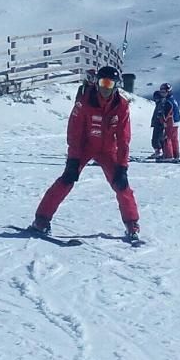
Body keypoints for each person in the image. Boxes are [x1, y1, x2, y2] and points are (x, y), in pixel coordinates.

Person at [29, 65, 140, 242]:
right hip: (85, 146)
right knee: (66, 179)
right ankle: (41, 220)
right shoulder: (85, 102)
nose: (105, 87)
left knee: (121, 184)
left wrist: (122, 166)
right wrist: (73, 160)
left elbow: (124, 139)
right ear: (96, 83)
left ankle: (132, 224)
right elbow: (74, 132)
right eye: (102, 82)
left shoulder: (122, 106)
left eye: (109, 84)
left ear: (115, 86)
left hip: (108, 150)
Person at [158, 83, 180, 160]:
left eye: (164, 92)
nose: (162, 94)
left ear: (169, 92)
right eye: (161, 92)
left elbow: (167, 113)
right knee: (174, 139)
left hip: (170, 122)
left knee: (167, 138)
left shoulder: (168, 102)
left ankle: (168, 155)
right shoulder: (172, 99)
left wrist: (162, 118)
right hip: (175, 122)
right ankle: (176, 154)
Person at [150, 84, 167, 158]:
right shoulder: (158, 104)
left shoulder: (162, 103)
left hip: (160, 124)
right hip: (157, 123)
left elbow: (161, 114)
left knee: (157, 139)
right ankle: (158, 151)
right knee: (156, 138)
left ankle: (160, 151)